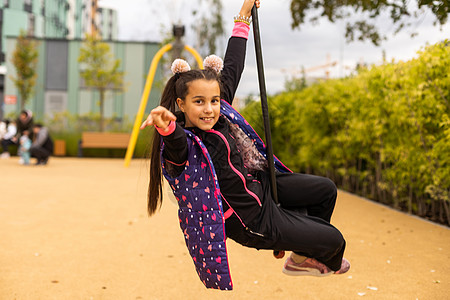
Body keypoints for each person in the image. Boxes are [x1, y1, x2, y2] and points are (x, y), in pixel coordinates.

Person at [141, 0, 349, 290]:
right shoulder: (187, 146)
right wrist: (167, 127)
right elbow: (175, 146)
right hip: (251, 220)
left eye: (214, 100)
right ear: (181, 104)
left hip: (262, 187)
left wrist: (244, 14)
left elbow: (234, 64)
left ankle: (300, 253)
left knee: (325, 191)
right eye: (198, 102)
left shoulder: (218, 112)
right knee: (335, 242)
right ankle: (307, 247)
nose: (209, 109)